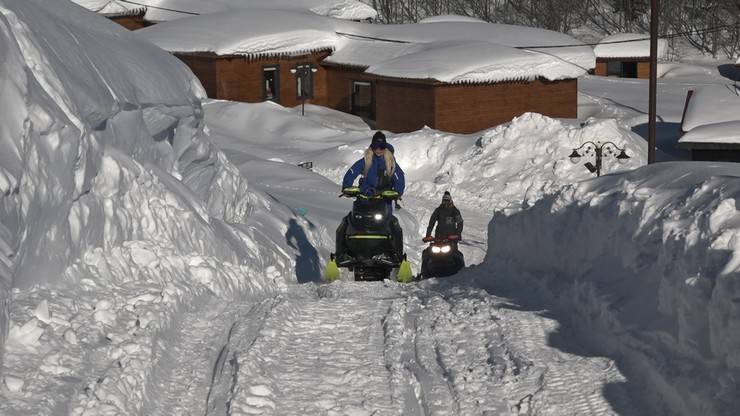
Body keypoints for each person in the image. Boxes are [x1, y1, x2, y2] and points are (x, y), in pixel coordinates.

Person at [336, 131, 405, 261]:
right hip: (364, 199)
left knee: (393, 224)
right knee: (346, 222)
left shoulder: (390, 162)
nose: (378, 150)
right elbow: (352, 172)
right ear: (372, 147)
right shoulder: (366, 160)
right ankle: (340, 255)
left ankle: (397, 257)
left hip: (384, 201)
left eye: (381, 147)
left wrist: (397, 191)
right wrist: (347, 187)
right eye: (375, 147)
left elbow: (399, 178)